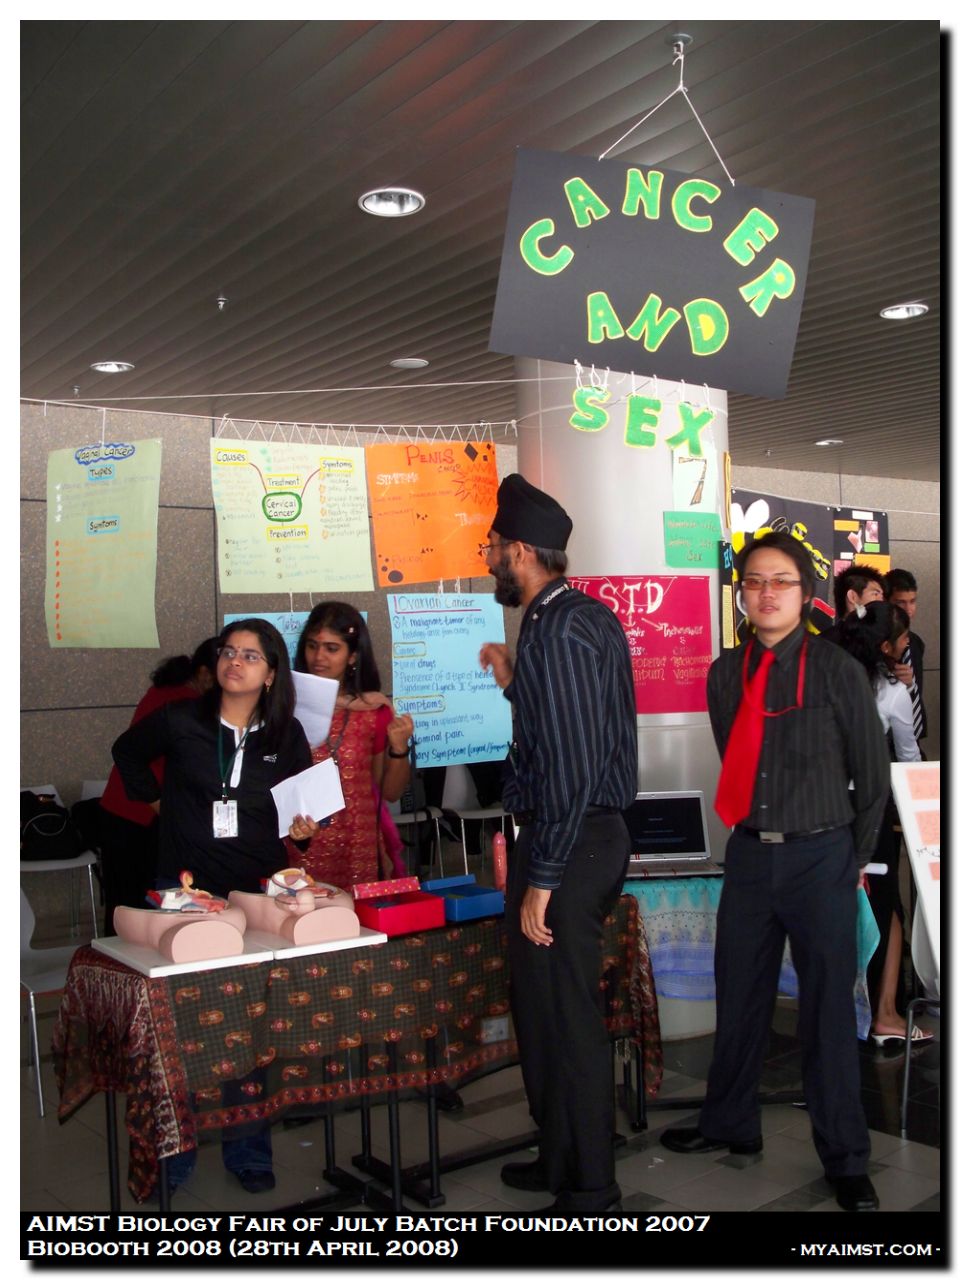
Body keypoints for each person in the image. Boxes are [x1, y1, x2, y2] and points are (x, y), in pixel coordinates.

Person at [660, 532, 890, 1213]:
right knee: (738, 995)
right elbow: (734, 752)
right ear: (741, 594)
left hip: (822, 856)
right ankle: (730, 1122)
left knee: (826, 1010)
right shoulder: (724, 673)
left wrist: (853, 860)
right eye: (754, 581)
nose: (766, 593)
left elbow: (872, 777)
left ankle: (846, 1157)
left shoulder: (836, 669)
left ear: (806, 594)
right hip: (751, 854)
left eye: (780, 581)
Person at [112, 617, 319, 1194]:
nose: (235, 662)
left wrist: (303, 832)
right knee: (181, 1023)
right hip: (185, 888)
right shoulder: (182, 720)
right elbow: (126, 752)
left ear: (271, 673)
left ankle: (248, 1150)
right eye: (229, 651)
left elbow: (299, 818)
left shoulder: (286, 735)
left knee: (246, 1022)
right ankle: (175, 1154)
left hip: (254, 888)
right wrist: (157, 805)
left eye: (251, 656)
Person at [477, 473, 638, 1215]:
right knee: (540, 1010)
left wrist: (543, 875)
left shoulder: (564, 627)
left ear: (519, 550)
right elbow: (563, 725)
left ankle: (592, 1185)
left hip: (572, 840)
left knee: (567, 1016)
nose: (488, 558)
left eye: (491, 547)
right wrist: (514, 681)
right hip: (565, 835)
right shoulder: (556, 620)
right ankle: (560, 1156)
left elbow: (573, 766)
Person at [836, 602, 931, 1047]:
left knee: (835, 907)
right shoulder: (892, 690)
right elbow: (908, 759)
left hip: (826, 807)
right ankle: (886, 1013)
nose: (909, 645)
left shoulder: (831, 676)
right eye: (904, 639)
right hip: (873, 806)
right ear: (888, 647)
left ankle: (841, 1012)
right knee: (887, 908)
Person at [286, 601, 415, 887]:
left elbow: (391, 792)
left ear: (353, 656)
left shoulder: (373, 711)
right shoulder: (286, 705)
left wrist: (399, 748)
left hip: (358, 844)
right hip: (299, 839)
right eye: (312, 646)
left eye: (332, 648)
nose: (318, 657)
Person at [98, 638, 219, 934]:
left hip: (127, 809)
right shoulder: (184, 704)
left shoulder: (167, 690)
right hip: (139, 810)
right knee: (135, 904)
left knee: (125, 902)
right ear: (204, 674)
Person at [884, 567, 927, 743]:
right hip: (883, 737)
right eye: (901, 603)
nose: (908, 610)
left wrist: (909, 686)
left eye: (912, 601)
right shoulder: (876, 641)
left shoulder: (916, 642)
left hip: (910, 736)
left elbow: (917, 690)